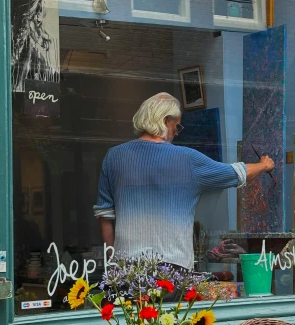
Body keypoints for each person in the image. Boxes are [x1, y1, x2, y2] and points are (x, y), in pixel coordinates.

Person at [94, 92, 274, 272]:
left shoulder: (114, 157)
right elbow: (235, 173)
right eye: (176, 126)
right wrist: (263, 165)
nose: (176, 133)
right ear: (165, 121)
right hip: (173, 269)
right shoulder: (187, 159)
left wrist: (115, 264)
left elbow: (104, 216)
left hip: (127, 270)